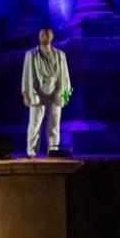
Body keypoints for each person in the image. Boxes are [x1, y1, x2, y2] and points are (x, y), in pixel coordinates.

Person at [21, 27, 72, 158]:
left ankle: (53, 150)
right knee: (35, 124)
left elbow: (65, 75)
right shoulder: (31, 54)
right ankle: (31, 152)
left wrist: (66, 94)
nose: (45, 37)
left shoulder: (60, 55)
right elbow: (26, 75)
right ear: (39, 37)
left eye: (48, 35)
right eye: (43, 35)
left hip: (55, 91)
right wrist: (25, 93)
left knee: (54, 124)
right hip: (37, 92)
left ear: (52, 37)